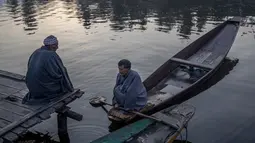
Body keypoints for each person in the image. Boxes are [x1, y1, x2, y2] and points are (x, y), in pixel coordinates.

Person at [22, 35, 74, 105]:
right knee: (62, 78)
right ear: (50, 45)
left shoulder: (36, 52)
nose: (57, 47)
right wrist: (69, 87)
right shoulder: (51, 54)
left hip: (32, 89)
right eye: (55, 45)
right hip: (44, 90)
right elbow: (59, 74)